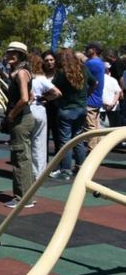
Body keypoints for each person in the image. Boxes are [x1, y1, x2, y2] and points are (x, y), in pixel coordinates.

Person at [49, 49, 97, 180]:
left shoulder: (61, 73)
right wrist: (86, 95)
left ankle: (65, 170)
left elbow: (52, 89)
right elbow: (95, 83)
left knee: (66, 141)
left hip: (66, 109)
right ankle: (81, 166)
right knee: (78, 139)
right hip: (81, 108)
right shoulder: (83, 69)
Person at [2, 42, 35, 208]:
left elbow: (24, 98)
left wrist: (11, 115)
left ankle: (22, 198)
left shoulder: (21, 73)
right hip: (24, 117)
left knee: (20, 157)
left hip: (21, 119)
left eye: (15, 53)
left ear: (22, 55)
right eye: (9, 52)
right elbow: (31, 95)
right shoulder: (20, 72)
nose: (10, 55)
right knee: (24, 157)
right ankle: (27, 195)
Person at [28, 54, 61, 179]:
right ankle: (39, 172)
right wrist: (46, 98)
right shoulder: (42, 79)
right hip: (39, 108)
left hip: (28, 109)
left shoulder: (26, 77)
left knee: (28, 143)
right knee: (39, 142)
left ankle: (29, 170)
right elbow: (58, 93)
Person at [83, 42, 105, 150]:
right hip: (97, 98)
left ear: (94, 50)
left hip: (90, 98)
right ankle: (98, 149)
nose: (86, 50)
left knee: (90, 126)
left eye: (88, 48)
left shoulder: (91, 63)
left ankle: (91, 150)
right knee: (96, 125)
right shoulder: (100, 62)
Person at [100, 62, 122, 127]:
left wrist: (105, 103)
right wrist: (112, 103)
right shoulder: (113, 80)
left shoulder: (96, 80)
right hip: (114, 108)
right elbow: (117, 92)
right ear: (107, 70)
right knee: (115, 129)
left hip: (102, 108)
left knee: (103, 130)